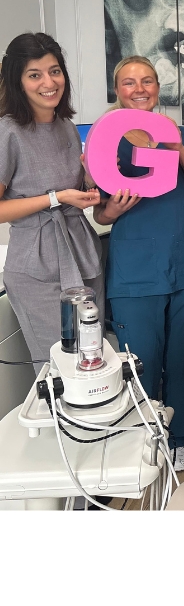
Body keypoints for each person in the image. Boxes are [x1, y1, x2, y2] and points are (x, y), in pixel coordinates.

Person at [93, 56, 184, 472]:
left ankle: (178, 436)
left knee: (181, 357)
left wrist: (178, 150)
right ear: (117, 89)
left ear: (158, 88)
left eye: (147, 81)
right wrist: (112, 210)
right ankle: (145, 435)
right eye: (129, 82)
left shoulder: (182, 135)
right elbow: (100, 214)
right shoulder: (105, 140)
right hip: (135, 268)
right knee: (141, 358)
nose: (140, 89)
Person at [0, 32, 102, 369]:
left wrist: (91, 179)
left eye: (54, 71)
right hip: (37, 265)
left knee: (91, 361)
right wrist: (56, 198)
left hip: (82, 256)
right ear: (17, 81)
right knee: (57, 367)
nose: (49, 82)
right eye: (35, 74)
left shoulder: (67, 127)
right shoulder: (7, 132)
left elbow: (74, 189)